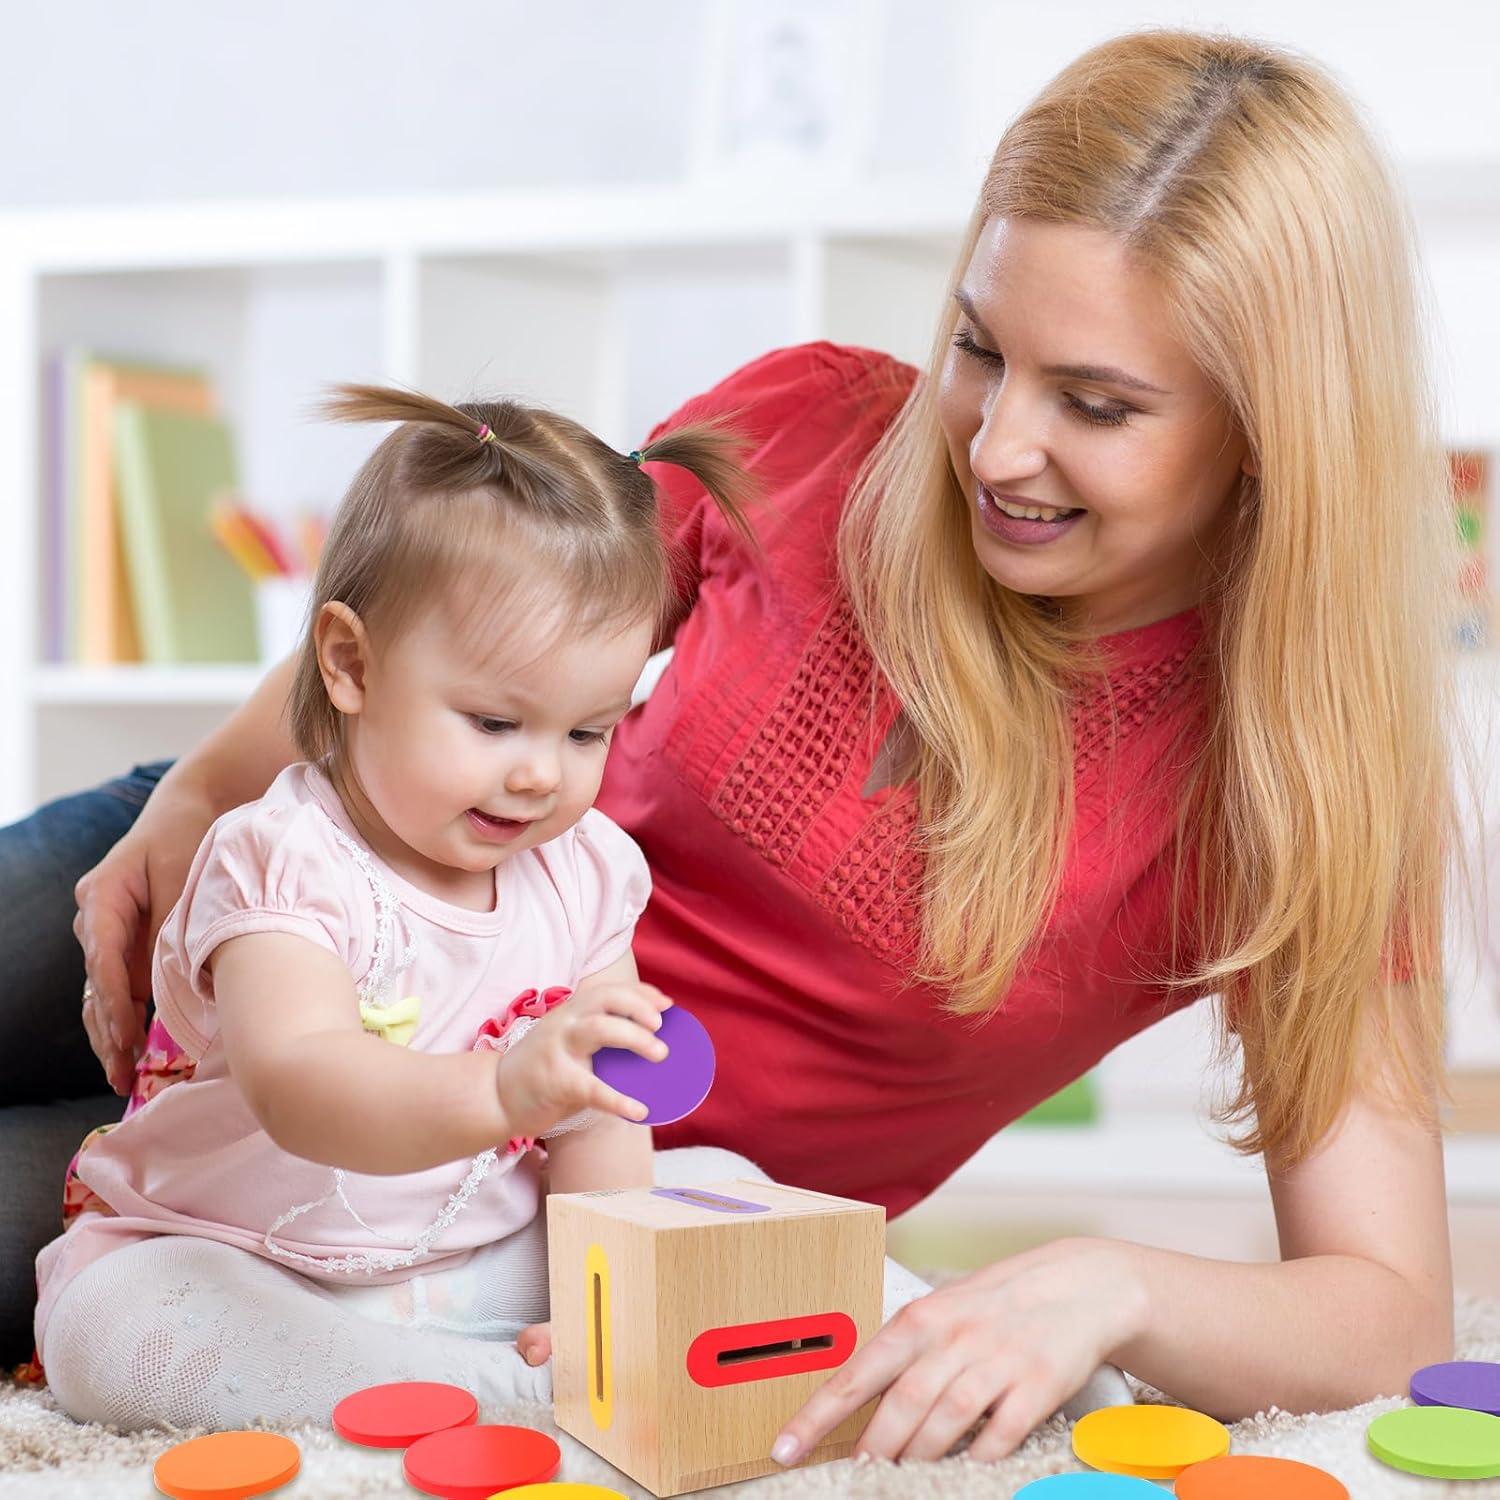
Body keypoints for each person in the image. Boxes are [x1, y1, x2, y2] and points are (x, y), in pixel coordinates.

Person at [5, 26, 1458, 1465]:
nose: (995, 446)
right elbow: (484, 596)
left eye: (1095, 404)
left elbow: (1387, 1311)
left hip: (520, 1196)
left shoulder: (1293, 793)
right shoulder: (817, 430)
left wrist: (1111, 1281)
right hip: (329, 868)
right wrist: (197, 796)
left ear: (1271, 429)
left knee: (79, 1266)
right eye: (976, 346)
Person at [30, 383, 768, 1430]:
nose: (537, 778)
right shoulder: (283, 861)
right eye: (495, 721)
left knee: (713, 1187)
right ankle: (487, 1395)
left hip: (464, 1259)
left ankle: (541, 1357)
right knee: (114, 1328)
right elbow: (303, 1085)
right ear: (350, 664)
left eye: (586, 733)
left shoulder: (588, 868)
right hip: (245, 1254)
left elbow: (603, 1111)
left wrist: (608, 1293)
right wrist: (510, 1091)